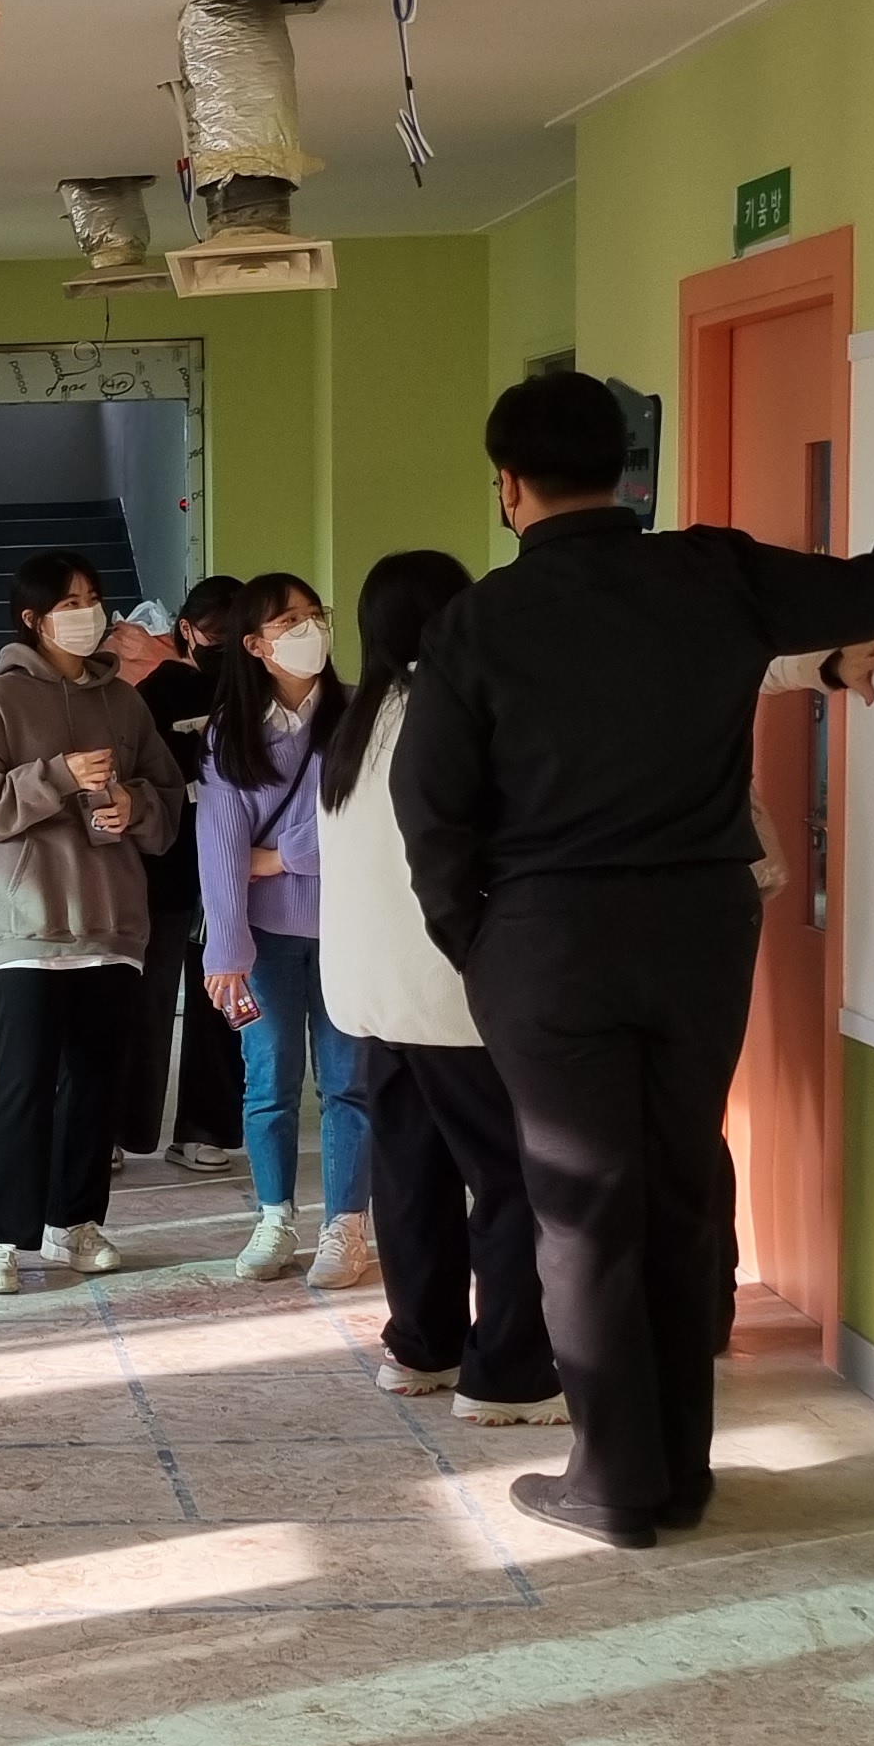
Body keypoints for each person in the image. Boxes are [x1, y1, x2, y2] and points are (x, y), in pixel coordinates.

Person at [394, 358, 874, 1548]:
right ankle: (679, 1473)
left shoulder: (477, 623)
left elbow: (433, 811)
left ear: (509, 485)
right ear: (624, 470)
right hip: (699, 929)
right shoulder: (714, 572)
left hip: (546, 942)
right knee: (677, 1184)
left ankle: (613, 1484)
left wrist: (483, 945)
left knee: (582, 1208)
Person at [315, 548, 561, 1414]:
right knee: (509, 1180)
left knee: (410, 1176)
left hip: (374, 996)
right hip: (448, 994)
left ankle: (422, 1348)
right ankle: (509, 1373)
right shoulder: (455, 713)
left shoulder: (358, 725)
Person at [0, 550, 185, 1294]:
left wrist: (134, 806)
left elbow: (167, 797)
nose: (88, 614)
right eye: (70, 603)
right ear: (33, 619)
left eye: (93, 598)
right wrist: (56, 775)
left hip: (112, 924)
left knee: (95, 1084)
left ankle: (74, 1221)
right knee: (22, 1082)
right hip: (28, 924)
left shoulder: (126, 703)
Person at [196, 571, 371, 1286]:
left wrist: (280, 855)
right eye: (289, 621)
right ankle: (274, 1218)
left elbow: (364, 826)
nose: (310, 630)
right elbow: (220, 847)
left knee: (348, 1083)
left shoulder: (359, 714)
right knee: (269, 1083)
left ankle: (345, 1225)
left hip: (351, 931)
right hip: (263, 939)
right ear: (255, 644)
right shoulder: (231, 730)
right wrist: (226, 948)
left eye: (314, 614)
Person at [112, 575, 252, 1179]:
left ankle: (205, 1126)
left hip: (236, 871)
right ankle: (118, 1129)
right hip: (164, 871)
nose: (228, 647)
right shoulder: (154, 692)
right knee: (143, 1004)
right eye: (217, 636)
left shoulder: (253, 692)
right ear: (188, 631)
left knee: (223, 1003)